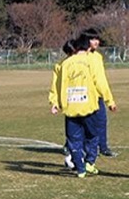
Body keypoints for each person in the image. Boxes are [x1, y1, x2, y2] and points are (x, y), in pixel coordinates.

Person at [51, 38, 116, 177]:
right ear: (86, 49)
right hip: (89, 107)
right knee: (93, 136)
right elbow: (100, 82)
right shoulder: (90, 62)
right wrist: (109, 100)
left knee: (73, 140)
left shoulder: (63, 64)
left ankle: (80, 170)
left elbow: (56, 85)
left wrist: (55, 102)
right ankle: (89, 162)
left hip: (70, 108)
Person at [81, 30, 116, 157]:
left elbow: (101, 80)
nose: (96, 42)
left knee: (101, 121)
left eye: (97, 39)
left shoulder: (97, 57)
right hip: (83, 96)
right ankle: (74, 146)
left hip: (97, 96)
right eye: (93, 39)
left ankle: (103, 147)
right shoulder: (80, 56)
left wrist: (108, 99)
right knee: (81, 123)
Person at [49, 41, 78, 169]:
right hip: (70, 103)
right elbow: (55, 86)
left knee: (87, 131)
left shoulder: (84, 63)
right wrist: (54, 102)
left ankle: (77, 157)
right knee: (74, 132)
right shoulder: (60, 66)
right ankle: (72, 157)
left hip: (85, 102)